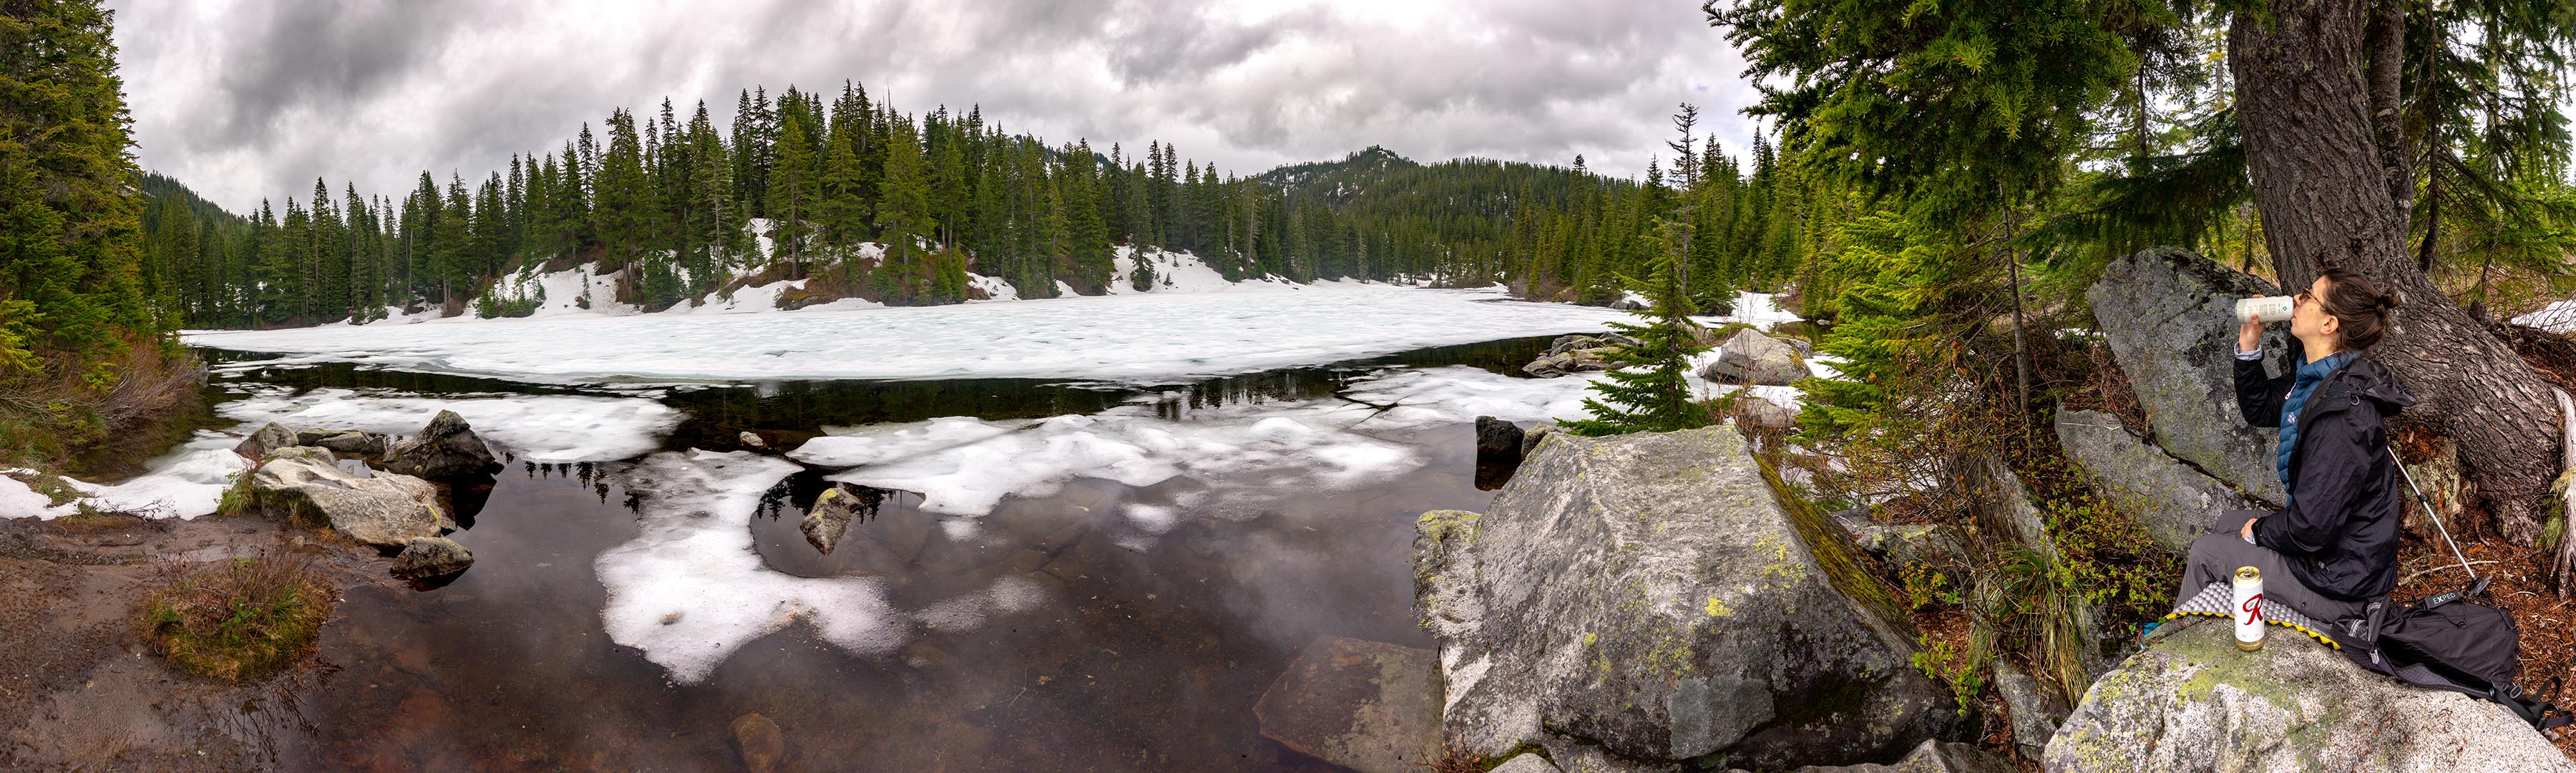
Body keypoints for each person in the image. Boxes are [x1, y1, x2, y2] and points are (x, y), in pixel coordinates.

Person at [2171, 266, 2416, 623]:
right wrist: (2249, 344)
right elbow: (2261, 408)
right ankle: (2215, 620)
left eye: (2308, 295)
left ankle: (2176, 651)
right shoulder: (2318, 378)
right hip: (2330, 553)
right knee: (2229, 522)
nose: (2296, 299)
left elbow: (2311, 528)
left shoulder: (2343, 415)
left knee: (2207, 553)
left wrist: (2259, 531)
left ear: (2329, 324)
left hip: (2339, 583)